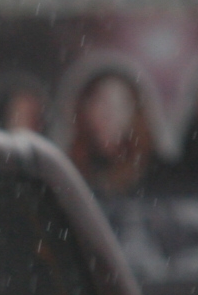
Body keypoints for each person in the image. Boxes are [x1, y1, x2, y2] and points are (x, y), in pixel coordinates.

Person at [65, 64, 157, 196]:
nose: (109, 113)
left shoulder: (155, 171)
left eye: (119, 104)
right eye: (102, 102)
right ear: (85, 109)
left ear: (135, 113)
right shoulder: (67, 168)